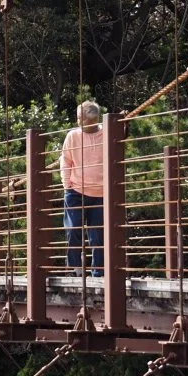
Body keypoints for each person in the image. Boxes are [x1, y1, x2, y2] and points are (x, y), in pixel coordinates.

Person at [60, 100, 106, 275]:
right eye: (78, 118)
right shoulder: (73, 135)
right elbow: (65, 161)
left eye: (82, 119)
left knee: (98, 236)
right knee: (73, 229)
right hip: (76, 190)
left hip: (100, 192)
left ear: (94, 119)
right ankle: (75, 268)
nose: (79, 122)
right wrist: (67, 185)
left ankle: (98, 273)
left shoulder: (106, 133)